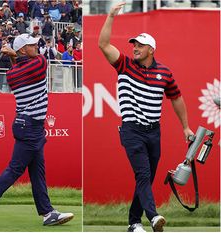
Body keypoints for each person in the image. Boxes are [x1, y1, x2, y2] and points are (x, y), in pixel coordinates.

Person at [98, 2, 194, 232]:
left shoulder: (165, 72)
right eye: (134, 45)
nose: (135, 48)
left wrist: (186, 127)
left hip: (154, 132)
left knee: (146, 179)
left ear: (151, 49)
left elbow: (176, 98)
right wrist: (111, 16)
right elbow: (103, 44)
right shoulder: (124, 65)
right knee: (142, 174)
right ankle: (152, 217)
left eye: (140, 45)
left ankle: (133, 222)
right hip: (132, 130)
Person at [0, 34, 74, 229]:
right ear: (23, 50)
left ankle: (47, 212)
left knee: (37, 171)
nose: (37, 47)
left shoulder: (12, 73)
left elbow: (19, 66)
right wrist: (13, 54)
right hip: (30, 127)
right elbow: (39, 61)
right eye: (32, 45)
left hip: (26, 124)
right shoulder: (38, 64)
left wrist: (12, 55)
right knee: (15, 169)